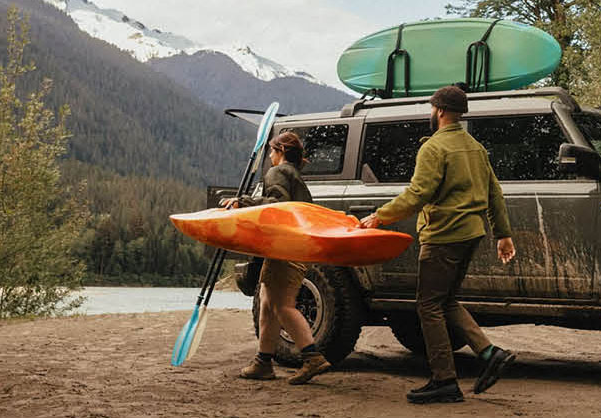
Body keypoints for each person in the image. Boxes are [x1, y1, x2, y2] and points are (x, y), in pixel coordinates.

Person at [359, 85, 518, 404]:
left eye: (432, 108)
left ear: (440, 111)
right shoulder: (475, 147)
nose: (431, 113)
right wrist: (503, 234)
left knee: (428, 305)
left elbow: (418, 194)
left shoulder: (433, 147)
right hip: (471, 233)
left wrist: (379, 216)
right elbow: (494, 193)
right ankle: (488, 353)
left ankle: (444, 379)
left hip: (443, 234)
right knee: (444, 299)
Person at [220, 131, 330, 385]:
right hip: (291, 247)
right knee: (267, 302)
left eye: (272, 151)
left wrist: (242, 202)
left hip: (286, 248)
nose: (270, 156)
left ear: (280, 152)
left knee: (283, 305)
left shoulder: (278, 172)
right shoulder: (294, 174)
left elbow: (277, 204)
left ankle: (312, 357)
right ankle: (263, 361)